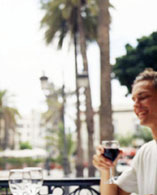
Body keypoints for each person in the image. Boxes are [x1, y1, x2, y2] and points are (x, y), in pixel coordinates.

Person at [93, 68, 157, 195]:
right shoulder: (146, 152)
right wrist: (107, 169)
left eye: (143, 97)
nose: (135, 105)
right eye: (133, 100)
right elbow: (114, 193)